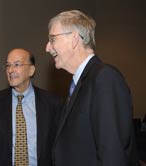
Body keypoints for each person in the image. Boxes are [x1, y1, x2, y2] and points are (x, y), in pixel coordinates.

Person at [45, 10, 139, 166]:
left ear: (74, 39)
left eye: (52, 39)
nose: (47, 47)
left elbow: (112, 154)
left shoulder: (104, 78)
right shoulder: (80, 83)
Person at [0, 48, 62, 166]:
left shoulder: (52, 103)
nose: (10, 70)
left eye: (17, 65)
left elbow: (60, 147)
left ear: (31, 70)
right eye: (8, 65)